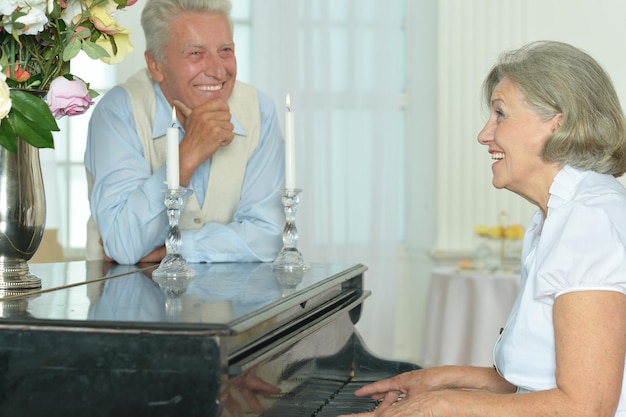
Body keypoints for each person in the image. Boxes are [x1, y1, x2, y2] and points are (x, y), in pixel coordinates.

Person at [342, 41, 626, 417]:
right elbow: (531, 379)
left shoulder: (590, 221)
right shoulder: (556, 213)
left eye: (500, 114)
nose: (484, 134)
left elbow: (586, 407)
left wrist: (443, 404)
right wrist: (438, 380)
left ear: (556, 122)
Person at [84, 0, 285, 264]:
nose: (217, 71)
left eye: (225, 50)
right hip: (130, 297)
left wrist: (175, 248)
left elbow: (266, 238)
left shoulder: (260, 111)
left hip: (231, 302)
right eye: (196, 53)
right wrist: (188, 156)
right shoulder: (119, 112)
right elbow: (124, 244)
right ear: (156, 65)